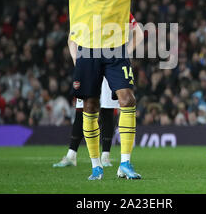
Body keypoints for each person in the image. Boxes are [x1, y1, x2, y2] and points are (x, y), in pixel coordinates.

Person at [0, 0, 206, 180]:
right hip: (86, 51)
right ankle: (96, 165)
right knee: (90, 107)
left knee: (128, 99)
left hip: (116, 51)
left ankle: (126, 163)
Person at [53, 13, 144, 168]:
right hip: (92, 60)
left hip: (110, 62)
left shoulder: (116, 8)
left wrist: (125, 53)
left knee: (107, 108)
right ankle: (73, 154)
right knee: (83, 108)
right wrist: (79, 63)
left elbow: (139, 33)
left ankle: (104, 156)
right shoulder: (86, 9)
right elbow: (71, 38)